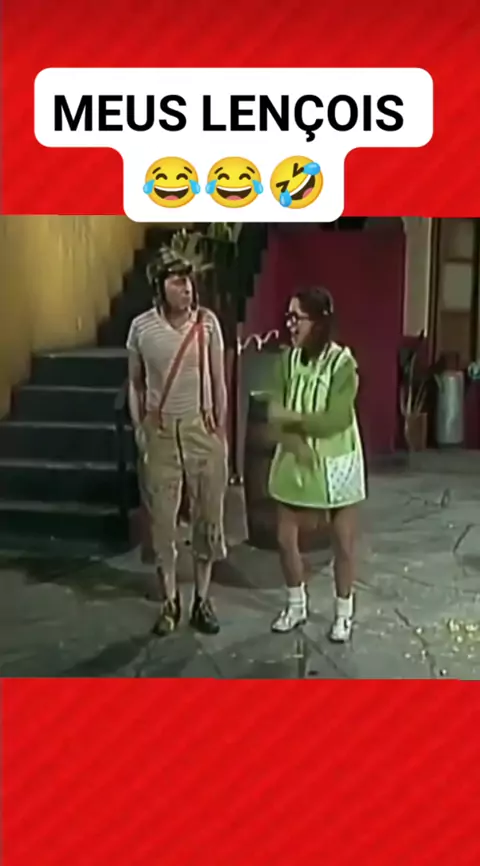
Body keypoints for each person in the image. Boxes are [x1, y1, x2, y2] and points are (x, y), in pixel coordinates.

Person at [126, 248, 228, 637]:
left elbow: (218, 378)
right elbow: (135, 383)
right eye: (177, 281)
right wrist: (140, 428)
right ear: (160, 286)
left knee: (208, 518)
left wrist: (219, 428)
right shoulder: (141, 328)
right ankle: (170, 600)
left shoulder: (207, 323)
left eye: (189, 281)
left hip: (201, 428)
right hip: (161, 430)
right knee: (162, 523)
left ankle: (203, 599)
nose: (187, 288)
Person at [266, 287, 366, 642]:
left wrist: (293, 417)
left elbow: (336, 419)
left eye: (297, 317)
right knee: (284, 539)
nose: (290, 324)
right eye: (288, 317)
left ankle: (343, 613)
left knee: (343, 543)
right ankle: (296, 604)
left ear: (319, 322)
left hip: (337, 462)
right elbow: (273, 412)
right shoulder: (286, 361)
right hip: (295, 457)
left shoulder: (343, 364)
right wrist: (294, 438)